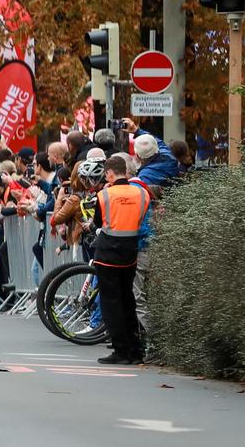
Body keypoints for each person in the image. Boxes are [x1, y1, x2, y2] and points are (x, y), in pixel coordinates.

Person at [92, 155, 150, 365]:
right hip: (130, 252)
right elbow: (141, 217)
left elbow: (98, 221)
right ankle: (135, 350)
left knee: (111, 303)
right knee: (128, 300)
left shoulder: (104, 194)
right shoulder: (142, 193)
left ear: (109, 173)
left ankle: (120, 350)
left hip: (108, 252)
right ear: (125, 171)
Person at [121, 119, 180, 187]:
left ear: (138, 156)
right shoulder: (169, 157)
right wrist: (137, 130)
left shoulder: (145, 176)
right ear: (156, 147)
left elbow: (136, 190)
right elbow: (158, 142)